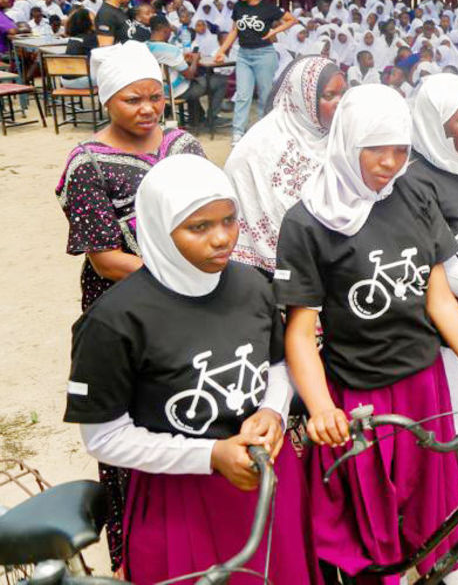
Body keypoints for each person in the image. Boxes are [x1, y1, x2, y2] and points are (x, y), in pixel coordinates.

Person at [276, 85, 458, 581]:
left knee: (431, 493)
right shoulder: (308, 222)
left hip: (424, 381)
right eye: (376, 148)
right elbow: (300, 332)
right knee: (371, 516)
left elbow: (438, 298)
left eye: (401, 149)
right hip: (360, 392)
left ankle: (439, 562)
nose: (391, 162)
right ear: (348, 140)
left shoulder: (414, 193)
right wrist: (321, 409)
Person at [63, 155, 317, 584]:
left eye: (229, 220)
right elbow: (103, 436)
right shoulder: (114, 321)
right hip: (182, 494)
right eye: (198, 227)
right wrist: (209, 455)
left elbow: (276, 363)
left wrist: (272, 412)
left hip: (265, 477)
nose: (222, 239)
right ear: (160, 229)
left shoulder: (253, 284)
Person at [55, 41, 206, 570]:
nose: (147, 110)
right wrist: (182, 274)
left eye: (155, 97)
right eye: (132, 100)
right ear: (106, 102)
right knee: (134, 421)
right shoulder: (89, 165)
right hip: (129, 308)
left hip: (194, 300)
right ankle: (138, 554)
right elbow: (105, 259)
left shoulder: (183, 145)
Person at [225, 56, 345, 275]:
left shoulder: (341, 137)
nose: (339, 103)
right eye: (329, 96)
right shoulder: (259, 146)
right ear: (304, 99)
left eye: (342, 94)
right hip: (266, 271)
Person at [214, 0, 298, 143]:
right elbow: (234, 31)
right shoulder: (239, 7)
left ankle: (264, 131)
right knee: (243, 95)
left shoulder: (268, 8)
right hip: (244, 55)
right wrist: (221, 51)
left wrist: (274, 30)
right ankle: (238, 132)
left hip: (264, 55)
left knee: (265, 95)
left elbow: (292, 20)